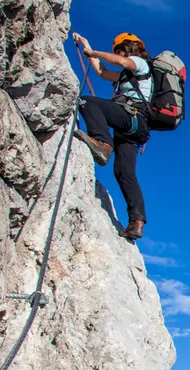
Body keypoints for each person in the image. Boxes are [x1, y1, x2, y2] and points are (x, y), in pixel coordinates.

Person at [71, 32, 153, 241]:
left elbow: (121, 61)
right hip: (134, 129)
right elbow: (101, 72)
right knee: (124, 173)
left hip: (131, 117)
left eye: (118, 49)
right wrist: (86, 44)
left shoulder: (140, 64)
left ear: (127, 48)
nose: (117, 53)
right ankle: (137, 222)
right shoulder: (127, 77)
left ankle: (103, 143)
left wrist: (95, 51)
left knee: (88, 102)